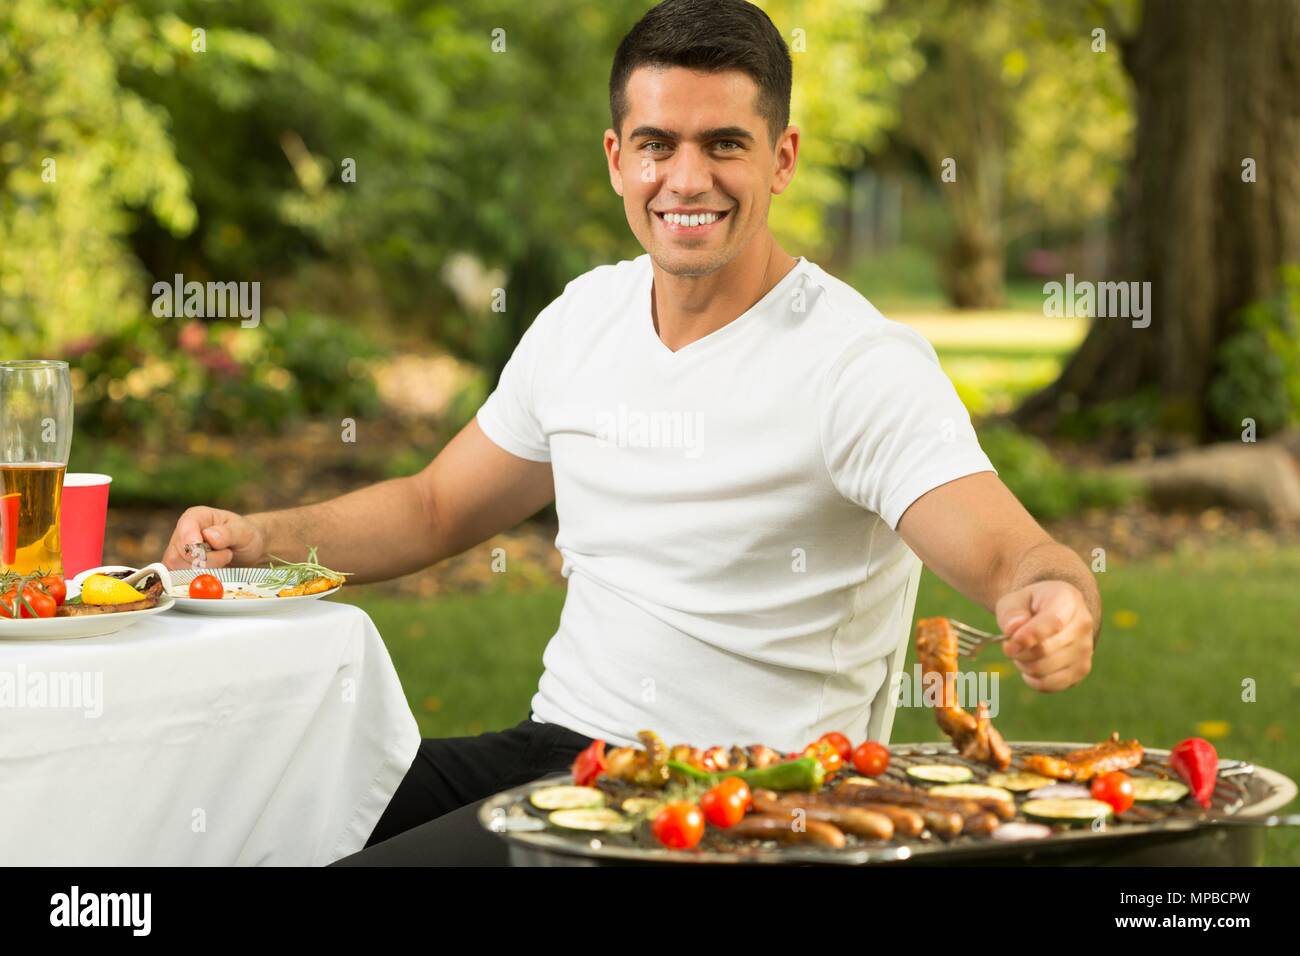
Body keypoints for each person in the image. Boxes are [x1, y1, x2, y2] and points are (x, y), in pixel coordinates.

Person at [162, 0, 1100, 866]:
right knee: (260, 811)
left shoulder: (857, 364)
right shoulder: (584, 318)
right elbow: (435, 505)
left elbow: (1013, 555)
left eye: (724, 143)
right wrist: (262, 541)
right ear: (617, 157)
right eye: (658, 143)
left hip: (747, 801)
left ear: (781, 158)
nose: (686, 178)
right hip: (563, 754)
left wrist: (1051, 598)